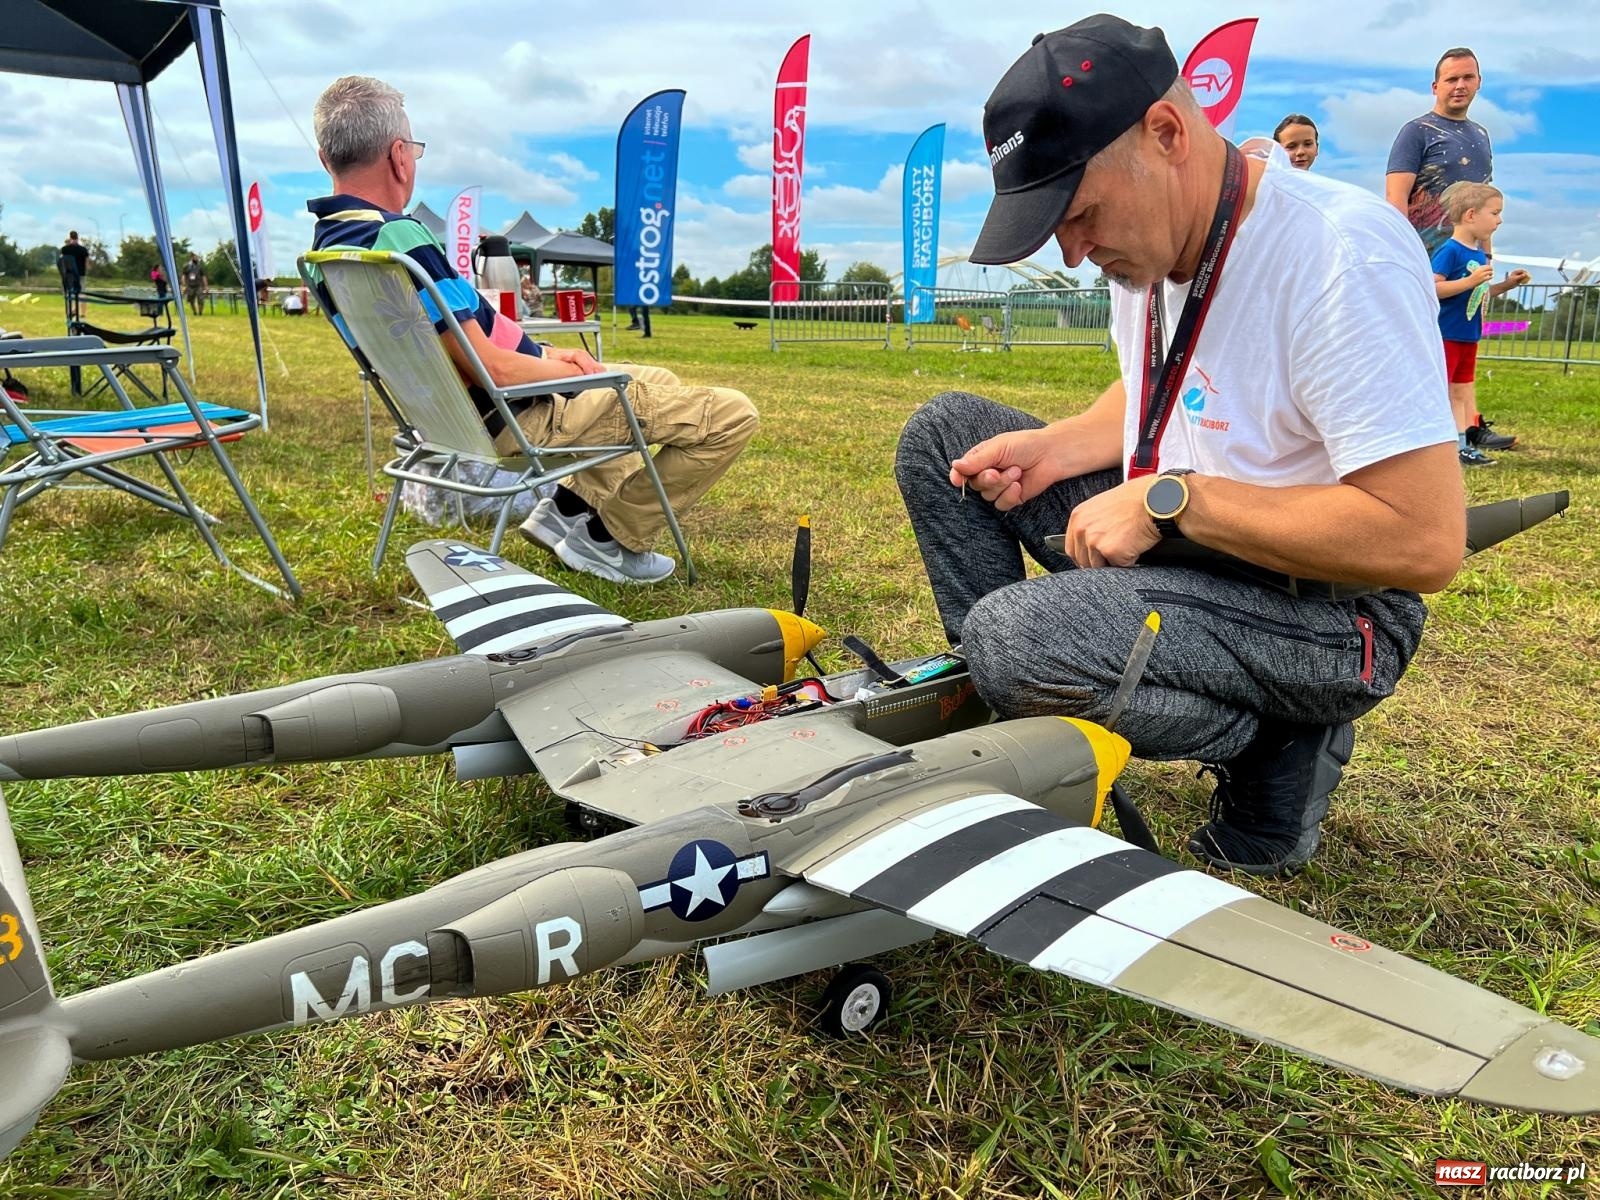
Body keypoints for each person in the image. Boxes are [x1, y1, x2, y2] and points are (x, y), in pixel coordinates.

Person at [895, 15, 1464, 878]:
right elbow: (1171, 382)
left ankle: (1277, 737)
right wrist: (1057, 447)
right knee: (944, 437)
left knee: (1014, 637)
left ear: (1165, 135)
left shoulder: (1340, 256)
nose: (1076, 253)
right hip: (1202, 549)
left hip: (1329, 613)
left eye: (1079, 213)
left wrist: (1172, 498)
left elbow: (1421, 541)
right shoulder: (1162, 240)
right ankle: (1006, 740)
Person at [304, 76, 757, 585]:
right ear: (398, 155)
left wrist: (548, 355)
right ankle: (612, 538)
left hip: (448, 420)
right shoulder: (398, 237)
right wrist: (559, 371)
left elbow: (459, 351)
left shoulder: (329, 252)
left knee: (659, 379)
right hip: (519, 413)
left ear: (326, 159)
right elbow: (490, 368)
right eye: (415, 148)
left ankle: (562, 511)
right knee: (733, 415)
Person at [1386, 47, 1513, 452]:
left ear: (1478, 83)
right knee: (1422, 347)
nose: (1460, 86)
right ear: (1436, 85)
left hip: (1469, 260)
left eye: (1468, 78)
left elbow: (1486, 200)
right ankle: (1415, 429)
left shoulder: (1481, 136)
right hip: (1425, 258)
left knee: (1463, 346)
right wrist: (1400, 258)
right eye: (1452, 79)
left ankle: (1469, 427)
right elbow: (1396, 198)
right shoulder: (1417, 131)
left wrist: (1488, 256)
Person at [1430, 182, 1530, 467]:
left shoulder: (1477, 254)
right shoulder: (1450, 251)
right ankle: (1448, 448)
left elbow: (1479, 293)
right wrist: (1469, 281)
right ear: (1471, 215)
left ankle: (1461, 446)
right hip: (1446, 334)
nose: (1499, 220)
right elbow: (1432, 288)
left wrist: (1507, 284)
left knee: (1461, 392)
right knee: (1446, 393)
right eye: (1495, 213)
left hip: (1468, 336)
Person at [58, 230, 89, 321]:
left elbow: (63, 261)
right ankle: (83, 313)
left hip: (69, 275)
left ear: (70, 237)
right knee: (82, 293)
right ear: (77, 237)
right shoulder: (83, 250)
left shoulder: (65, 249)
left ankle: (70, 311)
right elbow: (87, 263)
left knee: (69, 293)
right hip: (81, 274)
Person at [181, 252, 208, 316]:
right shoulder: (186, 266)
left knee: (201, 299)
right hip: (190, 286)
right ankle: (194, 312)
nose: (197, 258)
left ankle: (200, 313)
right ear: (192, 257)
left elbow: (203, 276)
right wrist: (184, 286)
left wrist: (206, 286)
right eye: (196, 257)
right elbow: (183, 276)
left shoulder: (199, 266)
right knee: (191, 300)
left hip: (198, 285)